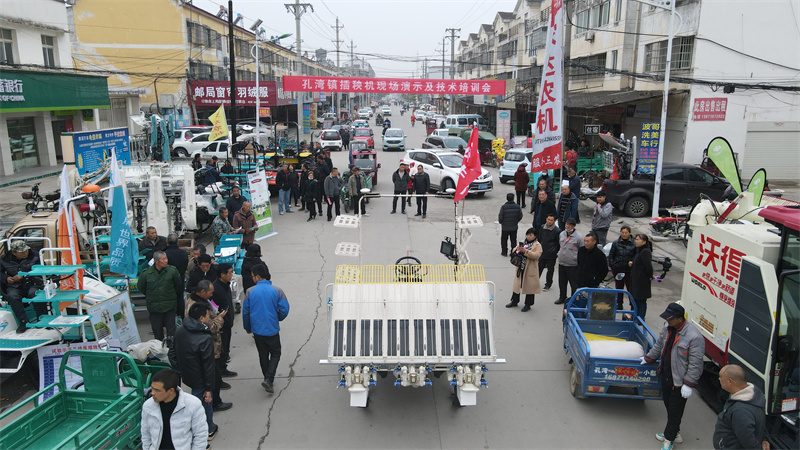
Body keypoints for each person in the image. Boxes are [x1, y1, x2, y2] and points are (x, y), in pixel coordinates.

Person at [644, 303, 704, 450]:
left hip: (679, 380)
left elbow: (695, 363)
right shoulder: (668, 328)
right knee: (668, 405)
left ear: (679, 319)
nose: (667, 321)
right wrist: (648, 358)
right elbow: (659, 345)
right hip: (666, 373)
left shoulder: (694, 337)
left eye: (670, 319)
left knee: (675, 410)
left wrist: (688, 383)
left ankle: (669, 438)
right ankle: (674, 432)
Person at [185, 281, 232, 413]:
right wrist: (219, 318)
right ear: (202, 292)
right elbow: (211, 327)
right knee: (212, 376)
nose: (212, 294)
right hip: (208, 348)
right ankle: (215, 402)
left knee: (215, 374)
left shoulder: (198, 302)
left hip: (212, 346)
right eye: (210, 292)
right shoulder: (195, 307)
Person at [173, 302, 218, 440]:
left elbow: (172, 353)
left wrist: (179, 370)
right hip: (201, 379)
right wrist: (209, 388)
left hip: (188, 375)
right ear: (201, 318)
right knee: (204, 404)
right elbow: (208, 365)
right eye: (208, 316)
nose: (209, 318)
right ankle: (208, 430)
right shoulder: (205, 338)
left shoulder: (180, 330)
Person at [243, 264, 290, 394]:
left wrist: (247, 327)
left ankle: (267, 378)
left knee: (263, 354)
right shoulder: (277, 290)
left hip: (257, 330)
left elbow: (246, 312)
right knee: (276, 353)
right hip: (272, 328)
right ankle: (269, 378)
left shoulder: (250, 292)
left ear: (258, 276)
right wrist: (277, 318)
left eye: (253, 276)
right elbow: (285, 309)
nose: (252, 278)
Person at [140, 368, 208, 450]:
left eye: (157, 390)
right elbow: (145, 434)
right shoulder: (148, 406)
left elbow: (200, 435)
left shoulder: (193, 404)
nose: (152, 393)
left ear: (171, 391)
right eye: (152, 388)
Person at [713, 364, 769, 450]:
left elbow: (748, 440)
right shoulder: (755, 395)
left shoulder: (740, 411)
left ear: (730, 381)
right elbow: (759, 422)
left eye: (721, 377)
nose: (719, 379)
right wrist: (764, 438)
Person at [0, 241, 45, 333]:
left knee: (35, 294)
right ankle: (23, 322)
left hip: (33, 283)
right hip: (15, 285)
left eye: (26, 250)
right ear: (14, 253)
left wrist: (25, 274)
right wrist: (6, 278)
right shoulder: (4, 259)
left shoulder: (35, 255)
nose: (25, 253)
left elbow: (42, 269)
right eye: (22, 252)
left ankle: (41, 318)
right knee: (12, 296)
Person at [139, 251, 182, 340]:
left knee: (172, 334)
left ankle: (171, 348)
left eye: (166, 258)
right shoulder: (146, 273)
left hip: (169, 306)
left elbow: (178, 285)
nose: (166, 261)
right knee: (157, 333)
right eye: (163, 259)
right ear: (156, 261)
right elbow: (141, 287)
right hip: (155, 307)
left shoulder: (172, 271)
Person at [505, 227, 542, 312]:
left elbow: (536, 256)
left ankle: (528, 304)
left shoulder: (537, 245)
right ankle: (514, 301)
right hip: (520, 267)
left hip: (530, 268)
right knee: (517, 285)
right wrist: (517, 250)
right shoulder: (523, 242)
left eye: (531, 235)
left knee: (529, 287)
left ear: (535, 236)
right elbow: (514, 250)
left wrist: (525, 251)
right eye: (527, 235)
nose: (528, 236)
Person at [212, 264, 237, 378]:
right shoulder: (216, 289)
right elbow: (213, 307)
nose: (231, 274)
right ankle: (220, 371)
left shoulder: (226, 285)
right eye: (230, 272)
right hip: (221, 325)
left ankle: (223, 368)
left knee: (226, 348)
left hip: (227, 322)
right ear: (222, 275)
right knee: (221, 349)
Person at [555, 218, 582, 305]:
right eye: (567, 224)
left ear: (574, 226)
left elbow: (582, 250)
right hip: (562, 263)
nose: (568, 226)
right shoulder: (562, 234)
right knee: (562, 282)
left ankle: (573, 300)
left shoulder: (579, 237)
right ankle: (562, 297)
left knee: (573, 284)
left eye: (570, 225)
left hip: (572, 265)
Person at [608, 225, 636, 309]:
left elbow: (636, 256)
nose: (624, 234)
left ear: (629, 233)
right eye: (622, 232)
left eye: (626, 233)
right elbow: (611, 255)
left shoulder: (634, 243)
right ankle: (619, 304)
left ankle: (632, 305)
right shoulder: (616, 243)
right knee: (619, 288)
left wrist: (632, 263)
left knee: (630, 289)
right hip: (618, 269)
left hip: (629, 271)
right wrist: (613, 265)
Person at [164, 233, 189, 320]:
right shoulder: (183, 253)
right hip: (180, 280)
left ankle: (169, 320)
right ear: (178, 242)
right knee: (180, 300)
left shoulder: (165, 254)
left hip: (167, 283)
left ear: (167, 242)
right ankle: (181, 319)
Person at [629, 234, 654, 318]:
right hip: (636, 280)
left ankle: (640, 317)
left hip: (641, 281)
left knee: (641, 301)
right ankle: (635, 316)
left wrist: (650, 276)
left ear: (644, 242)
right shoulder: (639, 250)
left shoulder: (645, 252)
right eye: (635, 239)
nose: (636, 241)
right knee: (635, 300)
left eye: (638, 240)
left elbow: (648, 266)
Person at [538, 214, 560, 291]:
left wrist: (554, 251)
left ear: (554, 221)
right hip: (542, 252)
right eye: (548, 219)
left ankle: (548, 284)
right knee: (539, 268)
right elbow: (540, 238)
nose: (549, 221)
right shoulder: (542, 227)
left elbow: (558, 243)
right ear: (546, 219)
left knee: (550, 270)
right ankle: (535, 281)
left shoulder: (557, 231)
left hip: (551, 254)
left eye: (551, 220)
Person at [498, 193, 523, 257]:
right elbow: (520, 216)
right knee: (513, 240)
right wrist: (516, 221)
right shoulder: (517, 206)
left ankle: (504, 252)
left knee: (504, 239)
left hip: (505, 227)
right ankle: (513, 252)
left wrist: (501, 222)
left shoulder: (503, 207)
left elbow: (500, 216)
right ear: (513, 199)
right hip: (514, 226)